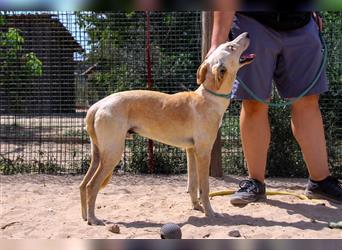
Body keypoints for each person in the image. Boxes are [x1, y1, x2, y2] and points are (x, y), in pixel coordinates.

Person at [207, 11, 342, 205]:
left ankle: (320, 182)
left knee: (307, 102)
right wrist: (217, 43)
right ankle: (255, 183)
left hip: (301, 24)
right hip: (253, 23)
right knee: (254, 103)